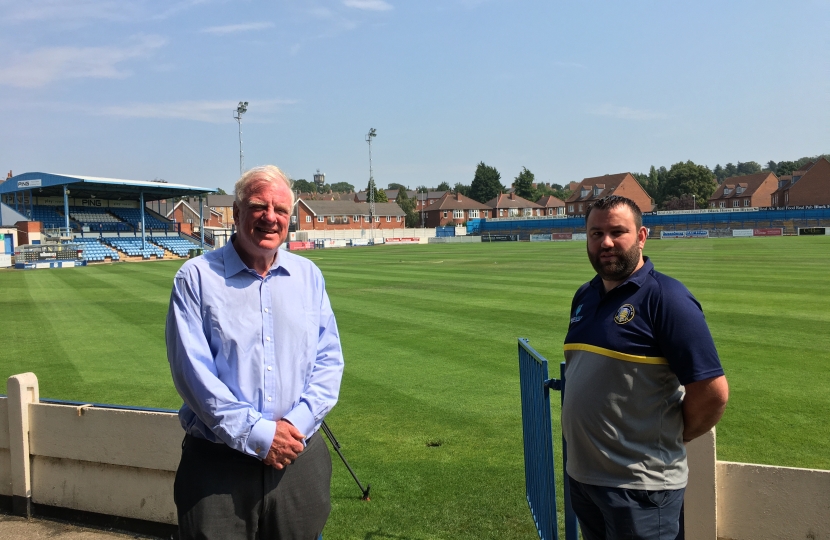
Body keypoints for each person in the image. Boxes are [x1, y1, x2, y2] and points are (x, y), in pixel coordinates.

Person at [166, 165, 345, 540]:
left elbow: (329, 361)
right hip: (219, 466)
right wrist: (261, 436)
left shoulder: (308, 276)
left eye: (280, 209)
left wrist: (294, 426)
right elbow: (194, 377)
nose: (270, 217)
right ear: (236, 211)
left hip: (299, 457)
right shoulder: (196, 278)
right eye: (258, 206)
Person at [562, 195, 728, 540]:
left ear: (641, 236)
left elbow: (712, 393)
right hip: (584, 479)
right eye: (596, 234)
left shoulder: (667, 298)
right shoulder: (585, 296)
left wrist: (670, 436)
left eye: (617, 232)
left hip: (641, 488)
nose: (605, 243)